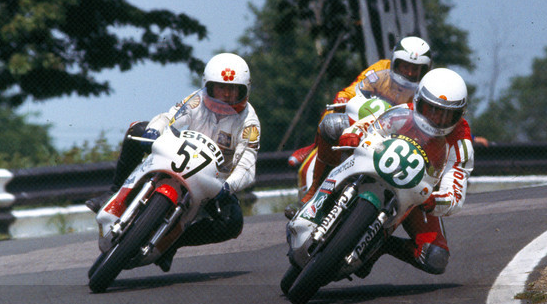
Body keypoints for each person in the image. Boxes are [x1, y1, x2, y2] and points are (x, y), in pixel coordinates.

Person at [85, 53, 261, 271]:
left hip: (213, 182)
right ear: (208, 86)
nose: (225, 95)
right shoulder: (197, 100)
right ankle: (113, 193)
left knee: (232, 223)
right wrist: (154, 130)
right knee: (136, 130)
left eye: (232, 89)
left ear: (244, 91)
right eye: (219, 88)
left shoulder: (250, 123)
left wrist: (228, 186)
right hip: (177, 159)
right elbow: (169, 117)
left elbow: (247, 165)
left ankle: (172, 242)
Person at [337, 68, 475, 277]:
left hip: (417, 197)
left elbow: (455, 193)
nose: (438, 119)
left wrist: (434, 201)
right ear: (419, 101)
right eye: (432, 110)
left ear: (460, 115)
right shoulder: (403, 112)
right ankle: (314, 194)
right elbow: (370, 126)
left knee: (435, 257)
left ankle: (383, 244)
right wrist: (353, 133)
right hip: (376, 167)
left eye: (448, 115)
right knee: (330, 127)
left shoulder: (461, 144)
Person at [295, 35, 433, 204]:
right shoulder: (382, 68)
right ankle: (315, 186)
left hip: (398, 141)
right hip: (364, 126)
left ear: (425, 70)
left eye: (416, 69)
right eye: (405, 66)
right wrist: (343, 98)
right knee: (331, 121)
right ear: (395, 63)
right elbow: (358, 86)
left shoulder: (428, 86)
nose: (410, 73)